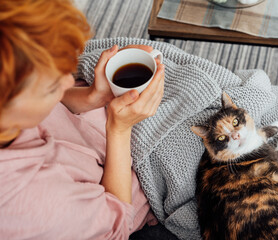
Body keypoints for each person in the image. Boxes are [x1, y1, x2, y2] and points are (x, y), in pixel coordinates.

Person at [0, 0, 165, 239]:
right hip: (133, 187)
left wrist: (92, 97)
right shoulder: (27, 202)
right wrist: (120, 130)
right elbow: (117, 228)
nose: (68, 81)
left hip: (92, 124)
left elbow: (56, 98)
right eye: (52, 86)